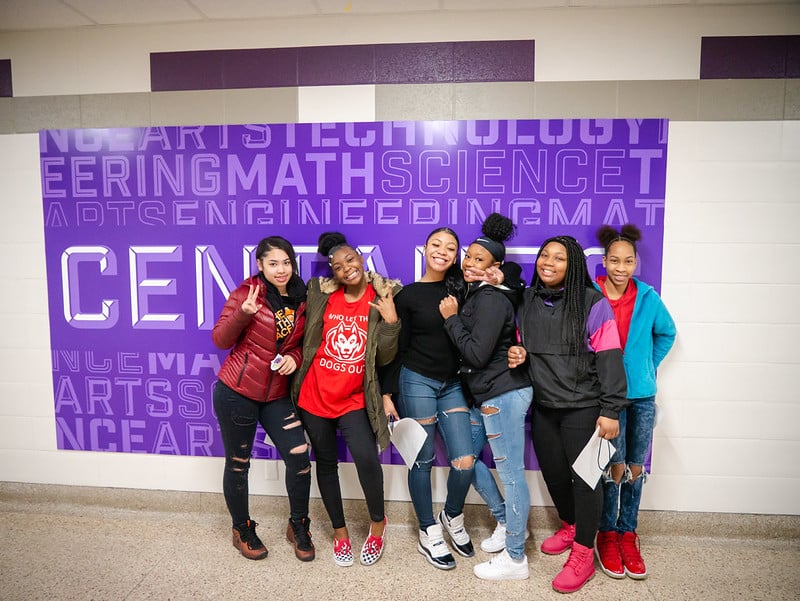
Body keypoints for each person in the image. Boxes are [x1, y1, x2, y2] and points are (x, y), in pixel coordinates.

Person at [508, 234, 627, 593]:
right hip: (545, 407)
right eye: (545, 255)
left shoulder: (593, 302)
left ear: (573, 265)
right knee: (555, 476)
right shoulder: (526, 300)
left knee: (585, 482)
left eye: (559, 258)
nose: (548, 262)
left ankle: (583, 554)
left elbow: (609, 359)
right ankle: (572, 525)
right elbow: (523, 343)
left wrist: (611, 410)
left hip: (584, 408)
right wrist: (520, 355)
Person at [291, 232, 401, 568]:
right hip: (314, 395)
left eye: (350, 260)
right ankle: (340, 533)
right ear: (333, 273)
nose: (345, 269)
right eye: (337, 267)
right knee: (325, 463)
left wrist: (391, 321)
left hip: (353, 397)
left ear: (361, 259)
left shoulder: (382, 296)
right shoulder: (322, 296)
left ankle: (377, 523)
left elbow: (385, 357)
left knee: (367, 458)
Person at [440, 213, 534, 581]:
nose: (469, 263)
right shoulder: (479, 295)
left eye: (480, 260)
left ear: (495, 268)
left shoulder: (492, 299)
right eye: (468, 256)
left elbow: (477, 355)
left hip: (503, 394)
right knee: (466, 456)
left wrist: (451, 319)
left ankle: (515, 558)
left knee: (511, 476)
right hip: (488, 395)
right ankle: (509, 521)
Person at [211, 236, 314, 562]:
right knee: (238, 465)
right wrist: (243, 313)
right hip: (237, 392)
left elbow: (299, 344)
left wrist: (295, 359)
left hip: (276, 395)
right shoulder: (247, 293)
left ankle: (298, 524)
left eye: (286, 262)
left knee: (299, 458)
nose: (281, 270)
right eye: (273, 263)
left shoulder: (302, 296)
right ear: (260, 265)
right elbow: (220, 339)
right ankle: (241, 527)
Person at [593, 224, 676, 580]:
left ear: (636, 262)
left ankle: (628, 531)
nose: (621, 268)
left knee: (636, 466)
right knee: (611, 466)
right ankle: (606, 534)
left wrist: (645, 366)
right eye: (614, 260)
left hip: (641, 395)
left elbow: (667, 333)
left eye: (628, 261)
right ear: (605, 261)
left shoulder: (648, 297)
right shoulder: (591, 294)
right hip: (605, 396)